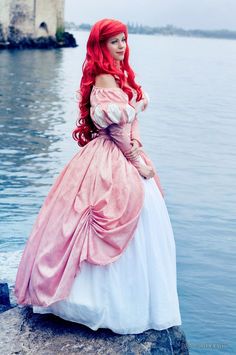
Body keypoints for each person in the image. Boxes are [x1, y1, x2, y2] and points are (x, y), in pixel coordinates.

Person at [14, 18, 182, 334]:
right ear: (100, 46)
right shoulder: (105, 79)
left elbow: (130, 123)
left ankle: (129, 299)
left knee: (140, 214)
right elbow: (117, 128)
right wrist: (136, 161)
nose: (121, 46)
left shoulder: (120, 76)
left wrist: (136, 146)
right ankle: (98, 303)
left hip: (123, 150)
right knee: (110, 215)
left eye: (123, 40)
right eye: (114, 41)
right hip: (113, 156)